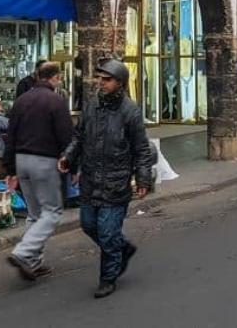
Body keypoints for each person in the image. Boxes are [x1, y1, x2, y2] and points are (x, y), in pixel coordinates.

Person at [60, 59, 156, 299]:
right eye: (99, 79)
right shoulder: (92, 107)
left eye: (107, 80)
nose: (101, 84)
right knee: (89, 225)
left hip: (115, 181)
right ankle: (123, 249)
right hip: (91, 179)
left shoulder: (130, 111)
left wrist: (143, 180)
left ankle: (108, 276)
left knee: (107, 232)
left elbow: (141, 149)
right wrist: (68, 158)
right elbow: (79, 137)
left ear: (119, 83)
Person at [3, 62, 74, 281]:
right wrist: (72, 162)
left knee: (34, 214)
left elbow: (10, 136)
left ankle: (33, 261)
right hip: (44, 160)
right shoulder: (56, 101)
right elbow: (66, 135)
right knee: (52, 212)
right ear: (55, 78)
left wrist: (10, 168)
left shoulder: (21, 101)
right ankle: (23, 252)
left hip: (21, 160)